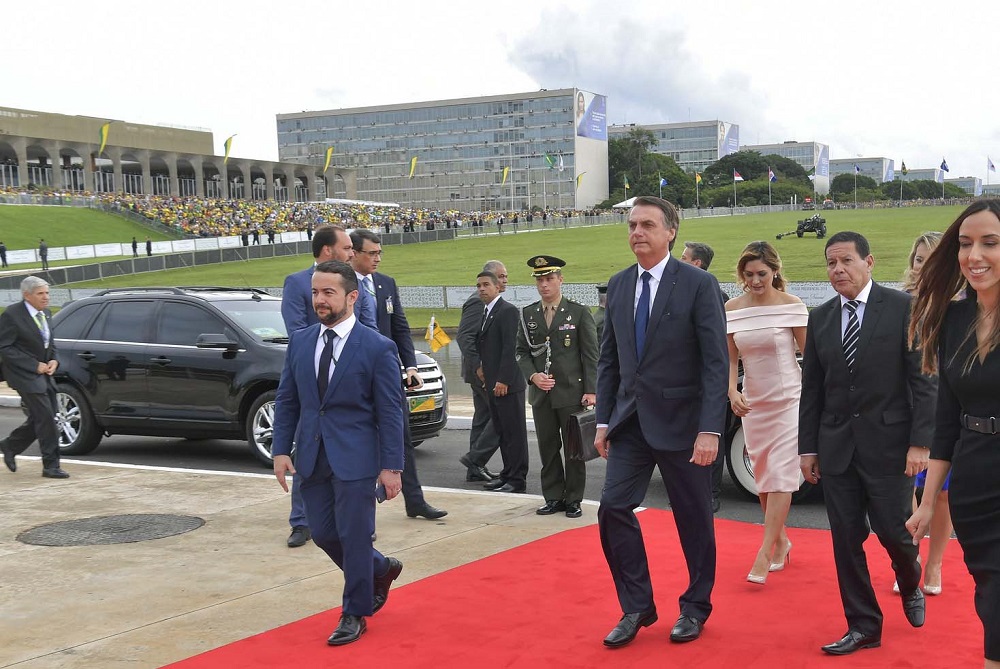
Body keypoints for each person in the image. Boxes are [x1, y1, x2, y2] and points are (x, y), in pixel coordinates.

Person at [595, 196, 728, 648]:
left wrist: (711, 428)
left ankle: (695, 607)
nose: (637, 232)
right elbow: (609, 360)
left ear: (671, 231)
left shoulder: (697, 284)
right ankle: (637, 605)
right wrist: (602, 421)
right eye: (631, 224)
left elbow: (715, 362)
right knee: (613, 508)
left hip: (686, 425)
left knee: (693, 520)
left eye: (647, 225)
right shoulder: (617, 285)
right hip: (630, 424)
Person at [799, 230, 935, 656]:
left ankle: (910, 578)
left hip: (891, 446)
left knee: (895, 533)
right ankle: (863, 625)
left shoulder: (901, 309)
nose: (837, 270)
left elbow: (924, 382)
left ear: (869, 262)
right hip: (836, 447)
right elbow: (813, 389)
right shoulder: (819, 317)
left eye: (846, 262)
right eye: (831, 263)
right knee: (845, 538)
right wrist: (807, 448)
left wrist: (920, 443)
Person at [271, 260, 405, 646]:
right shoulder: (301, 341)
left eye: (328, 292)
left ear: (351, 296)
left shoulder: (378, 347)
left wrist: (391, 466)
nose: (319, 300)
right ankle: (380, 568)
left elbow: (390, 411)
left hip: (358, 460)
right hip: (312, 456)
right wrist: (281, 450)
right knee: (326, 533)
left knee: (355, 535)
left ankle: (355, 611)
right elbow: (288, 399)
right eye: (315, 292)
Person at [907, 200, 1000, 668]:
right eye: (965, 244)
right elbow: (947, 416)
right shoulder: (956, 319)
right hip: (975, 479)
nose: (974, 255)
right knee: (989, 591)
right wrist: (926, 503)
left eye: (990, 242)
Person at [279, 225, 375, 549]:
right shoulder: (295, 284)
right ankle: (300, 521)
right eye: (346, 247)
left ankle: (354, 525)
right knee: (307, 448)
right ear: (326, 251)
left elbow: (364, 324)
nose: (352, 252)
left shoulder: (353, 285)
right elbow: (296, 329)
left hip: (347, 374)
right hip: (312, 373)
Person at [725, 241, 807, 584]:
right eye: (749, 275)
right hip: (752, 400)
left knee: (782, 474)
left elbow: (811, 356)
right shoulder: (732, 307)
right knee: (762, 476)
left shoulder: (792, 306)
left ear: (775, 271)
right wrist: (732, 390)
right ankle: (783, 540)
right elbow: (730, 358)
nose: (755, 281)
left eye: (761, 274)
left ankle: (765, 549)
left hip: (789, 399)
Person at [350, 229, 447, 521]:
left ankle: (415, 501)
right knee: (362, 444)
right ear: (354, 253)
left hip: (389, 376)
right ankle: (361, 514)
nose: (377, 258)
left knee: (401, 440)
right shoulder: (341, 284)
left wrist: (411, 366)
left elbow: (400, 328)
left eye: (380, 253)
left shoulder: (385, 284)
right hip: (357, 376)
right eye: (372, 253)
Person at [516, 255, 598, 519]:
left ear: (560, 280)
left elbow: (590, 355)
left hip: (571, 393)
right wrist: (532, 377)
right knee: (548, 448)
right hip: (542, 395)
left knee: (574, 450)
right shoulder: (528, 314)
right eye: (540, 280)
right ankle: (553, 497)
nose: (544, 285)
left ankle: (573, 499)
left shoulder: (578, 312)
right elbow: (521, 352)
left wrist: (591, 390)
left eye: (549, 279)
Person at [900, 231, 950, 597]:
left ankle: (935, 562)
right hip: (904, 408)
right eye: (919, 259)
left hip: (948, 408)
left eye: (931, 260)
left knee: (942, 492)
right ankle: (911, 560)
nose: (923, 267)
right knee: (908, 489)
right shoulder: (898, 303)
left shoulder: (963, 304)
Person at [0, 276, 68, 479]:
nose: (46, 297)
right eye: (40, 294)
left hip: (45, 374)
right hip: (23, 375)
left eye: (47, 292)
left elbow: (49, 344)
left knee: (46, 415)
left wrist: (54, 360)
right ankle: (51, 466)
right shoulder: (12, 314)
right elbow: (5, 346)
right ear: (26, 295)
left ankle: (10, 445)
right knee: (46, 418)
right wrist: (33, 365)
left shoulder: (45, 313)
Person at [679, 240, 729, 513]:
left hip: (707, 382)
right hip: (683, 381)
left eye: (684, 257)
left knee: (711, 437)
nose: (679, 260)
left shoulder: (713, 294)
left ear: (697, 263)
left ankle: (710, 493)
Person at [477, 270, 529, 494]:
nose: (481, 289)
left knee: (514, 433)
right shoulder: (487, 312)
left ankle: (517, 479)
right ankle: (507, 473)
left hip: (507, 385)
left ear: (498, 287)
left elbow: (511, 348)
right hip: (493, 383)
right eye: (478, 285)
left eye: (486, 285)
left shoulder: (507, 311)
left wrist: (503, 380)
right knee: (502, 432)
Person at [456, 260, 504, 483]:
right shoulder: (477, 302)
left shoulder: (488, 302)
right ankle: (475, 459)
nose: (505, 281)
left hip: (480, 370)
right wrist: (478, 367)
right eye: (501, 277)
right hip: (482, 372)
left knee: (483, 417)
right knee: (502, 415)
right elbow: (464, 337)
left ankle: (475, 468)